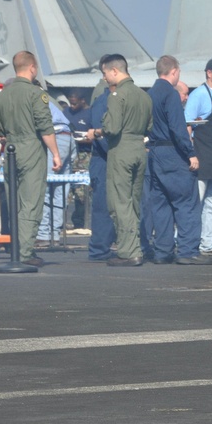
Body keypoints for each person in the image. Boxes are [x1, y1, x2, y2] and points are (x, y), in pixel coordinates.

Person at [145, 55, 212, 265]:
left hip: (155, 153)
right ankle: (188, 250)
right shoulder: (170, 94)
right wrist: (190, 152)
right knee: (186, 202)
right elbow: (177, 126)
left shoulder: (150, 94)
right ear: (173, 71)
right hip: (173, 153)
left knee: (161, 202)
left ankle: (163, 250)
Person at [0, 51, 62, 267]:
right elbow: (45, 126)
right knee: (31, 202)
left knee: (14, 202)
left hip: (11, 149)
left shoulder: (4, 94)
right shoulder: (36, 94)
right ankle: (25, 252)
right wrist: (55, 153)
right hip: (31, 147)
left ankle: (19, 248)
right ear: (32, 67)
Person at [95, 54, 153, 267]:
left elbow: (112, 128)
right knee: (133, 201)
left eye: (105, 73)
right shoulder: (144, 96)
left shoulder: (116, 96)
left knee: (119, 202)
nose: (105, 78)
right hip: (139, 148)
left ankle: (129, 251)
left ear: (115, 71)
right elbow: (149, 127)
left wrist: (99, 130)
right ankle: (135, 246)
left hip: (121, 149)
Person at [185, 58, 212, 255]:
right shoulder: (198, 95)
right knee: (197, 200)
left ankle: (209, 243)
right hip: (201, 156)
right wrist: (191, 154)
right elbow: (187, 126)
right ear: (209, 73)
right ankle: (190, 241)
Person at [36, 97, 76, 247]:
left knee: (44, 188)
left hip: (54, 137)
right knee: (60, 190)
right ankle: (55, 234)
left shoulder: (28, 97)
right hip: (68, 136)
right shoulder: (46, 99)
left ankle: (43, 235)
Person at [86, 77, 117, 260]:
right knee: (102, 206)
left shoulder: (109, 101)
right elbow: (101, 133)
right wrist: (115, 153)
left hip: (108, 158)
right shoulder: (102, 103)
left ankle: (104, 246)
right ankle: (99, 249)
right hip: (104, 160)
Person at [64, 92, 93, 230]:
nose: (72, 106)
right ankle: (60, 222)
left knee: (81, 191)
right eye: (70, 103)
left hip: (85, 154)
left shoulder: (90, 114)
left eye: (75, 103)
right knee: (66, 190)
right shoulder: (66, 112)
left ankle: (79, 221)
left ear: (82, 101)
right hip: (69, 153)